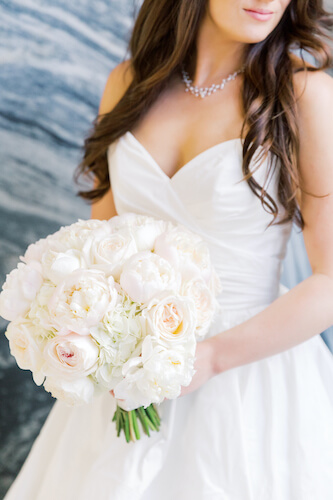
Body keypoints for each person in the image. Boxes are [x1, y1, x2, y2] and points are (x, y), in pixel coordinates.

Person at [4, 0, 333, 499]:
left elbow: (330, 279)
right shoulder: (129, 84)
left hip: (249, 379)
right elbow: (98, 248)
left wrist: (213, 357)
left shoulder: (304, 94)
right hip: (127, 376)